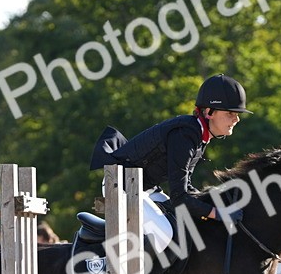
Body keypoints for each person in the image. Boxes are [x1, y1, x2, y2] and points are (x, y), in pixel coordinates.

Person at [89, 74, 250, 255]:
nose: (236, 119)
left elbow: (186, 188)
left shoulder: (198, 135)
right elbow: (179, 196)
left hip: (145, 188)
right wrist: (218, 214)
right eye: (230, 113)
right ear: (209, 112)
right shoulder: (186, 134)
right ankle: (110, 269)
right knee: (163, 233)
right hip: (122, 184)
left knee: (180, 224)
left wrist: (215, 205)